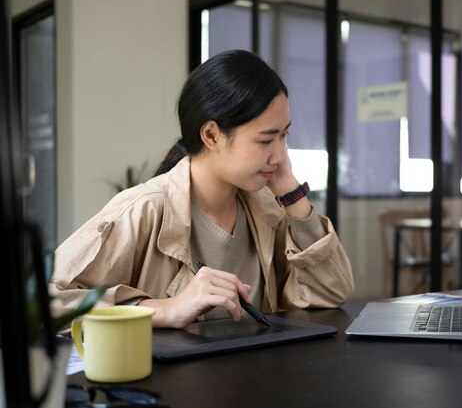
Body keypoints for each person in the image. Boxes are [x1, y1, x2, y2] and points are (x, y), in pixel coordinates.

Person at [49, 50, 354, 328]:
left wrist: (290, 190)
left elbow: (331, 293)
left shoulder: (268, 208)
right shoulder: (144, 209)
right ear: (211, 135)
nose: (279, 155)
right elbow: (42, 304)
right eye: (265, 140)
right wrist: (164, 309)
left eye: (284, 136)